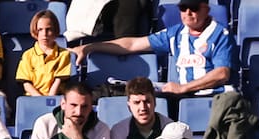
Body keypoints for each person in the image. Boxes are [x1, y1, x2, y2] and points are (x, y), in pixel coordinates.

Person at [75, 0, 234, 97]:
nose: (188, 13)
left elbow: (222, 73)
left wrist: (183, 87)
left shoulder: (221, 34)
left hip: (211, 96)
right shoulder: (176, 33)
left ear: (206, 9)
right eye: (184, 8)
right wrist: (89, 47)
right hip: (181, 96)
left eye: (194, 8)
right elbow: (131, 45)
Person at [16, 10, 71, 97]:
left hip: (55, 98)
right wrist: (39, 99)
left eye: (48, 29)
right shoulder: (27, 55)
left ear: (55, 30)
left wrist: (48, 100)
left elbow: (58, 81)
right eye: (40, 30)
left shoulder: (63, 54)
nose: (44, 34)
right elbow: (26, 83)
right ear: (35, 31)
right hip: (33, 98)